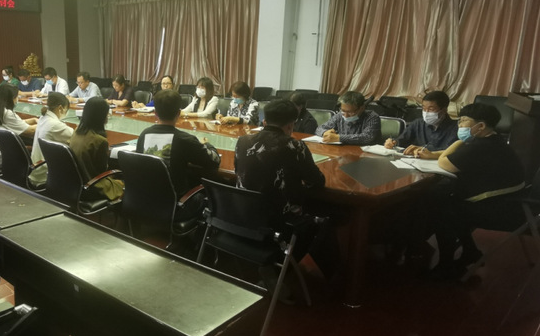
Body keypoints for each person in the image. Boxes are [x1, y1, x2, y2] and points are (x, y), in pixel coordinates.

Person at [234, 99, 337, 281]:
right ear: (291, 125)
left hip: (244, 214)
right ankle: (328, 278)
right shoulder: (295, 146)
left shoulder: (242, 141)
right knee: (331, 216)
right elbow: (316, 181)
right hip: (279, 221)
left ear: (265, 120)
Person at [427, 103, 526, 279]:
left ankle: (446, 267)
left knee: (441, 209)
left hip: (502, 210)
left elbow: (445, 162)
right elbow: (460, 157)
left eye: (463, 121)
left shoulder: (481, 146)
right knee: (443, 198)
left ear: (480, 126)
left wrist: (458, 141)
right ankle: (470, 251)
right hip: (510, 202)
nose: (459, 125)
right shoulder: (492, 141)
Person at [136, 89, 221, 200]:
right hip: (176, 202)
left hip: (146, 198)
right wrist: (207, 144)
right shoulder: (185, 139)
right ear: (179, 113)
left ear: (155, 113)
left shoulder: (144, 134)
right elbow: (214, 161)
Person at [68, 97, 123, 201]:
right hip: (92, 185)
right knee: (124, 184)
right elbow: (102, 170)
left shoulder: (76, 132)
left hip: (76, 184)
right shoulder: (99, 141)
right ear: (102, 116)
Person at [0, 83, 38, 172]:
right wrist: (44, 123)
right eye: (17, 97)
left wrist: (33, 120)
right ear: (12, 98)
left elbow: (14, 123)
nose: (17, 99)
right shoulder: (6, 113)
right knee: (32, 149)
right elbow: (30, 131)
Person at [384, 90, 458, 158]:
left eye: (431, 109)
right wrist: (393, 142)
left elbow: (450, 151)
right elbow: (402, 140)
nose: (426, 112)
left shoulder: (455, 128)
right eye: (424, 108)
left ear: (444, 110)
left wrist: (424, 149)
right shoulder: (418, 124)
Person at [29, 92, 73, 188]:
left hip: (36, 169)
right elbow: (75, 137)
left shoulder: (43, 118)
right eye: (66, 109)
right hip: (45, 175)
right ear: (60, 108)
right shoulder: (55, 125)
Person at [315, 91, 381, 145]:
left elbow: (367, 137)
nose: (346, 115)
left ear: (362, 108)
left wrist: (339, 138)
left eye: (351, 112)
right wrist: (325, 133)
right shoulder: (339, 115)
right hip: (342, 151)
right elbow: (319, 128)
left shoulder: (372, 117)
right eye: (343, 110)